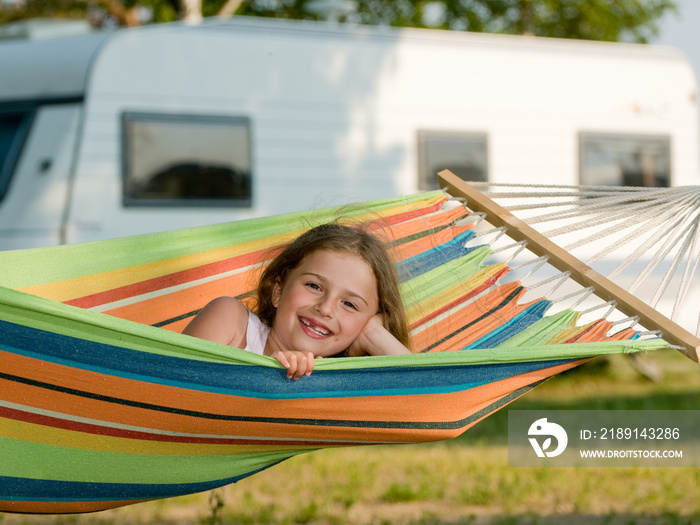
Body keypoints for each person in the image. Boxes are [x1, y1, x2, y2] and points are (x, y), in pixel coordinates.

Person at [183, 222, 412, 379]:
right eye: (314, 286)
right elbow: (171, 386)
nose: (325, 308)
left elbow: (433, 401)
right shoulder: (231, 321)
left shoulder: (337, 385)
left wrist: (374, 336)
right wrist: (266, 375)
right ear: (278, 292)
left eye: (349, 304)